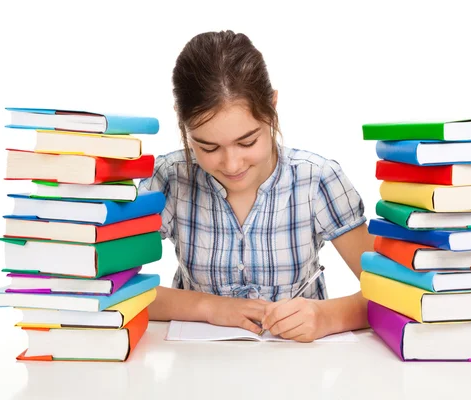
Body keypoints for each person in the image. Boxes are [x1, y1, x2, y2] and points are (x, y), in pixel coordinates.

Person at [140, 30, 374, 342]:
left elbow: (392, 292)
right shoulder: (168, 180)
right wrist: (209, 306)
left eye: (248, 141)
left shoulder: (316, 179)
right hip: (195, 372)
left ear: (273, 107)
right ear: (181, 122)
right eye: (208, 148)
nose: (232, 165)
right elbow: (115, 288)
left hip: (298, 372)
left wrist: (325, 317)